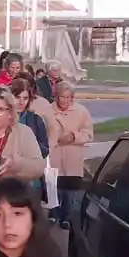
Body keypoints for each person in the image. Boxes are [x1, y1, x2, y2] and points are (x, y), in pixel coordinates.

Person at [48, 82, 94, 225]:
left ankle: (66, 218)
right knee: (53, 187)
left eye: (68, 97)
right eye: (62, 97)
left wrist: (74, 136)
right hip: (53, 155)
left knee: (70, 190)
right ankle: (53, 214)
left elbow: (88, 134)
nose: (65, 100)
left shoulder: (81, 111)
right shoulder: (48, 111)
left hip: (73, 156)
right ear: (56, 96)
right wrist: (56, 139)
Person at [8, 79, 49, 157]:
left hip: (29, 165)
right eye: (17, 97)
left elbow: (45, 150)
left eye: (25, 98)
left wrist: (29, 142)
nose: (21, 102)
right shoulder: (0, 118)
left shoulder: (36, 120)